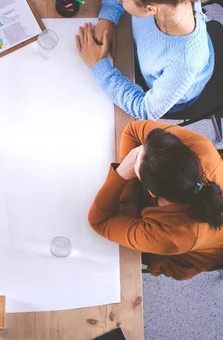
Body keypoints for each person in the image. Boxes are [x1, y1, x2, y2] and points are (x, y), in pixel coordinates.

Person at [76, 0, 214, 120]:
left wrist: (98, 65)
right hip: (148, 57)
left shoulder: (183, 63)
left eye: (121, 0)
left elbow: (144, 110)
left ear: (149, 9)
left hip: (169, 92)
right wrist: (107, 19)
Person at [89, 120, 223, 280]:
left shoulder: (173, 236)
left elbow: (99, 222)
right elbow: (132, 129)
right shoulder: (200, 146)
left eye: (134, 163)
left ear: (151, 192)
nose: (136, 153)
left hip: (190, 250)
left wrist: (121, 174)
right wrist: (130, 200)